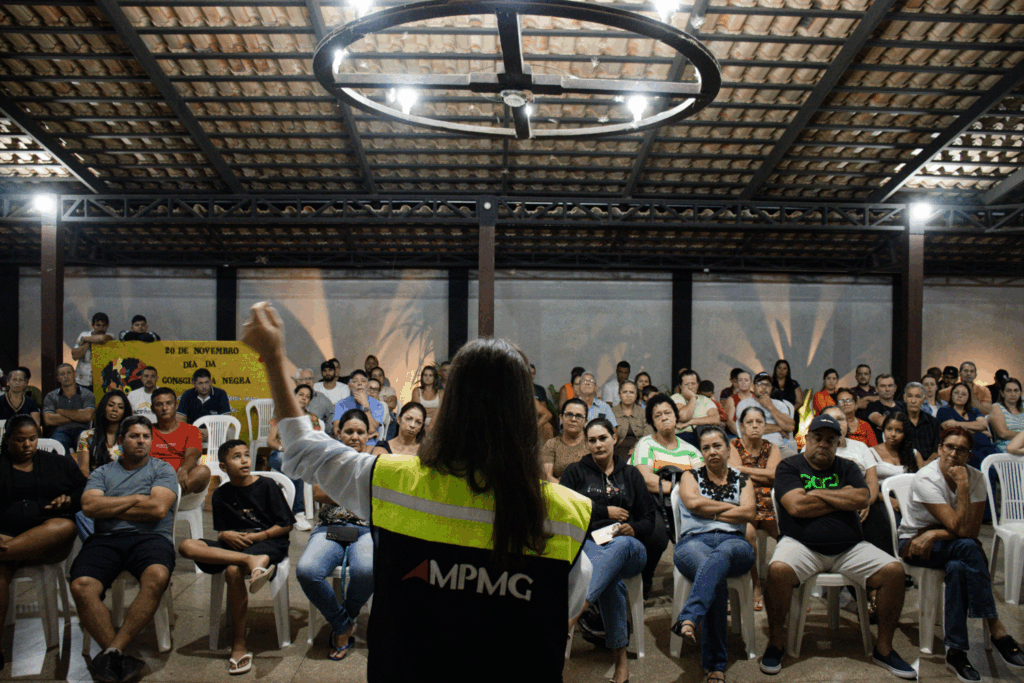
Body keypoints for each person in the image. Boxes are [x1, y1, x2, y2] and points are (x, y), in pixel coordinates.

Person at [241, 301, 592, 681]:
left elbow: (301, 449)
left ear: (451, 407)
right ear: (525, 414)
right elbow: (562, 617)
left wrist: (273, 357)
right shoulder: (568, 515)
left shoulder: (393, 482)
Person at [758, 414, 914, 679]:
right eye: (818, 438)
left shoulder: (848, 466)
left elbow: (862, 497)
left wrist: (816, 493)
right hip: (801, 544)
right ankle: (775, 643)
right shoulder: (789, 466)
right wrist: (842, 498)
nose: (823, 444)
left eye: (830, 440)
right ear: (807, 439)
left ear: (837, 444)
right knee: (777, 570)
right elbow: (796, 506)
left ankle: (884, 649)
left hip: (850, 547)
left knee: (894, 571)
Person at [898, 425, 1024, 681]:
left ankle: (955, 651)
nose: (954, 454)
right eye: (949, 447)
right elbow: (962, 529)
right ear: (939, 448)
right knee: (968, 547)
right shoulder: (927, 478)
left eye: (961, 450)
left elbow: (972, 530)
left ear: (969, 455)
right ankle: (996, 628)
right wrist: (963, 486)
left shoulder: (976, 477)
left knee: (958, 566)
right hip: (915, 543)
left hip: (942, 541)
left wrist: (936, 533)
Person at [70, 416, 178, 683]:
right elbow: (90, 507)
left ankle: (111, 653)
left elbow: (158, 509)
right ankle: (117, 653)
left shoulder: (163, 469)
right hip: (106, 540)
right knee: (81, 586)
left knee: (157, 576)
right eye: (134, 436)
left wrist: (111, 506)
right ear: (120, 440)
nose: (141, 441)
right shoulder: (102, 473)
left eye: (145, 436)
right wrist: (138, 498)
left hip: (150, 538)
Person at [178, 440, 292, 674]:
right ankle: (250, 562)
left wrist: (259, 536)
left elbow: (286, 525)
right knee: (187, 546)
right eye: (236, 457)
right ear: (223, 466)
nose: (244, 460)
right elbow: (222, 532)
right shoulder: (221, 494)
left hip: (267, 542)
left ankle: (238, 644)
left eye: (246, 455)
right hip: (235, 548)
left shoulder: (267, 485)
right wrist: (225, 534)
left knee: (232, 570)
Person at [563, 418, 652, 683]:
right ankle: (621, 664)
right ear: (586, 444)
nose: (598, 445)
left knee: (621, 545)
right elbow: (566, 511)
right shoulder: (575, 472)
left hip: (630, 548)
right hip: (590, 545)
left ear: (614, 438)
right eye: (592, 440)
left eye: (603, 438)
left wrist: (633, 528)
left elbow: (649, 519)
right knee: (610, 581)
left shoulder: (631, 474)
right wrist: (604, 511)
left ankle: (575, 613)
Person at [0, 415, 85, 669]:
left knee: (65, 526)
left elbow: (84, 490)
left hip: (46, 540)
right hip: (5, 536)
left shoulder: (56, 463)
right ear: (7, 440)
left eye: (32, 439)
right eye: (20, 440)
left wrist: (68, 500)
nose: (27, 445)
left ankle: (7, 551)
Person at [673, 426, 757, 683]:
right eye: (706, 448)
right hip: (693, 543)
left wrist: (708, 510)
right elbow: (693, 503)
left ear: (728, 449)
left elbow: (749, 513)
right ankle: (715, 665)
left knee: (720, 557)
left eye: (717, 446)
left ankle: (690, 616)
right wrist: (730, 509)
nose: (712, 452)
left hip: (735, 544)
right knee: (714, 573)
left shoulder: (742, 478)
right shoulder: (690, 475)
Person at [298, 409, 376, 662]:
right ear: (338, 433)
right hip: (329, 527)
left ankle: (345, 620)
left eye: (360, 432)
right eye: (349, 431)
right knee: (307, 571)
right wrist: (360, 492)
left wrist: (340, 491)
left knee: (368, 570)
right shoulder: (327, 459)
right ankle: (343, 624)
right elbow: (319, 494)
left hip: (365, 530)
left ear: (368, 436)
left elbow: (378, 495)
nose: (354, 436)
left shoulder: (375, 462)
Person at [630, 393, 700, 597]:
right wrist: (681, 489)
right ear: (652, 422)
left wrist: (684, 493)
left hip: (684, 503)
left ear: (676, 417)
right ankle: (646, 579)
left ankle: (699, 581)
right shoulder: (646, 444)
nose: (664, 417)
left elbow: (702, 479)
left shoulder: (690, 450)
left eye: (668, 413)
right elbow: (646, 479)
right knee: (657, 535)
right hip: (652, 502)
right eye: (658, 415)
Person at [728, 405, 781, 611]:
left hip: (770, 504)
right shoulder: (733, 445)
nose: (755, 426)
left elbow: (775, 476)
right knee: (749, 535)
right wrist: (763, 475)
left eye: (759, 422)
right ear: (742, 426)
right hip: (745, 502)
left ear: (765, 426)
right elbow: (735, 475)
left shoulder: (772, 447)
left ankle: (784, 588)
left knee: (787, 534)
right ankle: (756, 585)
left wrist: (745, 470)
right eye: (749, 422)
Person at [267, 384, 322, 531]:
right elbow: (270, 441)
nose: (303, 398)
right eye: (301, 395)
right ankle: (298, 512)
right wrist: (285, 449)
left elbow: (316, 442)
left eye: (307, 397)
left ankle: (292, 512)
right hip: (280, 453)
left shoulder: (312, 418)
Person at [149, 388, 212, 501]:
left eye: (169, 403)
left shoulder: (191, 430)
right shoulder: (147, 431)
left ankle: (163, 500)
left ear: (176, 406)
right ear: (152, 409)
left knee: (203, 471)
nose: (164, 408)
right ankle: (162, 501)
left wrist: (184, 469)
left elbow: (193, 454)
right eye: (159, 404)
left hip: (183, 486)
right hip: (153, 484)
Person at [736, 372, 797, 457]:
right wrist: (780, 428)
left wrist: (770, 407)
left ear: (771, 388)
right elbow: (751, 428)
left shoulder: (779, 404)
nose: (764, 387)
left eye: (767, 385)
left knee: (795, 459)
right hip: (753, 448)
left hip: (778, 447)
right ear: (753, 386)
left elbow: (790, 427)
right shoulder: (744, 404)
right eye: (760, 384)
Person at [937, 382, 998, 467]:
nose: (959, 396)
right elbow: (951, 429)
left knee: (1001, 462)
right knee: (987, 467)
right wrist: (980, 431)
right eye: (956, 393)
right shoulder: (944, 410)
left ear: (968, 397)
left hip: (986, 444)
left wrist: (957, 423)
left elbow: (983, 424)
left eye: (964, 394)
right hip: (965, 447)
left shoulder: (974, 411)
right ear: (951, 395)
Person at [42, 363, 96, 454]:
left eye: (69, 373)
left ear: (75, 374)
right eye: (62, 374)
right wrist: (78, 417)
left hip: (82, 431)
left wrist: (61, 412)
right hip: (60, 431)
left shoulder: (87, 394)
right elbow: (48, 420)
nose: (66, 376)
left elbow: (88, 416)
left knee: (88, 446)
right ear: (58, 378)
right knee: (57, 446)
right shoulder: (51, 396)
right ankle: (70, 463)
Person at [76, 390, 130, 478]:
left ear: (125, 412)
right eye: (111, 405)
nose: (115, 409)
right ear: (103, 407)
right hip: (94, 481)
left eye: (120, 407)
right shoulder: (86, 436)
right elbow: (83, 469)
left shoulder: (129, 437)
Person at [540, 397, 589, 482]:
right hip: (558, 488)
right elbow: (547, 476)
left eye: (579, 416)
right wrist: (566, 489)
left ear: (585, 421)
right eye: (569, 414)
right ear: (561, 418)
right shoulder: (551, 444)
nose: (573, 419)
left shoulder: (592, 443)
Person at [332, 370, 384, 447]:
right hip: (346, 445)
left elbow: (371, 429)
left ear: (367, 385)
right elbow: (337, 431)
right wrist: (369, 436)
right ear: (349, 386)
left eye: (363, 381)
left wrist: (365, 404)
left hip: (368, 446)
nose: (359, 383)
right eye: (355, 381)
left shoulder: (377, 405)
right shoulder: (341, 404)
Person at [673, 370, 721, 442]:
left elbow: (716, 419)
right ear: (680, 386)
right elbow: (683, 417)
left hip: (703, 437)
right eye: (686, 384)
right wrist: (692, 398)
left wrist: (690, 422)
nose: (690, 387)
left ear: (698, 384)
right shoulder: (676, 397)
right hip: (682, 438)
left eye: (693, 384)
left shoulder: (705, 399)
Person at [72, 312, 114, 392]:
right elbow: (75, 356)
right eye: (98, 325)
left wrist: (85, 339)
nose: (101, 328)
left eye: (104, 325)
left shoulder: (110, 336)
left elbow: (102, 339)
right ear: (93, 325)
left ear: (107, 326)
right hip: (82, 380)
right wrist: (89, 342)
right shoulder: (84, 334)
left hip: (101, 381)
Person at [612, 380, 651, 460]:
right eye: (625, 392)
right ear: (619, 395)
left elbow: (648, 434)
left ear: (636, 395)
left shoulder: (643, 413)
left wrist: (637, 448)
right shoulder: (611, 412)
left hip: (641, 449)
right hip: (616, 451)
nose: (628, 395)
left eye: (631, 392)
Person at [903, 382, 939, 466]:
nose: (913, 401)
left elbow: (937, 450)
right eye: (910, 396)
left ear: (924, 399)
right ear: (904, 398)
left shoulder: (933, 422)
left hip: (928, 466)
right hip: (902, 465)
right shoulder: (897, 420)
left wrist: (924, 465)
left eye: (918, 397)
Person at [867, 374, 906, 443]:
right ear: (876, 389)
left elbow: (911, 424)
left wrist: (887, 426)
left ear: (895, 388)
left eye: (890, 386)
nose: (887, 389)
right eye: (883, 386)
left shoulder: (903, 405)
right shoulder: (872, 406)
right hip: (880, 445)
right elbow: (881, 421)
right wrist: (902, 427)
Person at [988, 377, 1024, 451]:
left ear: (1020, 393)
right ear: (1002, 393)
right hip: (1006, 449)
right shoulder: (996, 407)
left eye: (1016, 391)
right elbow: (1003, 434)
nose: (1013, 394)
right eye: (1009, 391)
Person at [295, 367, 335, 432]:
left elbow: (332, 414)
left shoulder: (322, 399)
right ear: (297, 382)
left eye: (310, 379)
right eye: (304, 379)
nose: (308, 381)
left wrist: (326, 430)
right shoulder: (288, 396)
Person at [723, 370, 753, 435]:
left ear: (751, 382)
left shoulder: (757, 398)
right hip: (736, 434)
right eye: (740, 380)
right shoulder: (731, 400)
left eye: (746, 380)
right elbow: (729, 421)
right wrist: (743, 435)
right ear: (737, 383)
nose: (743, 383)